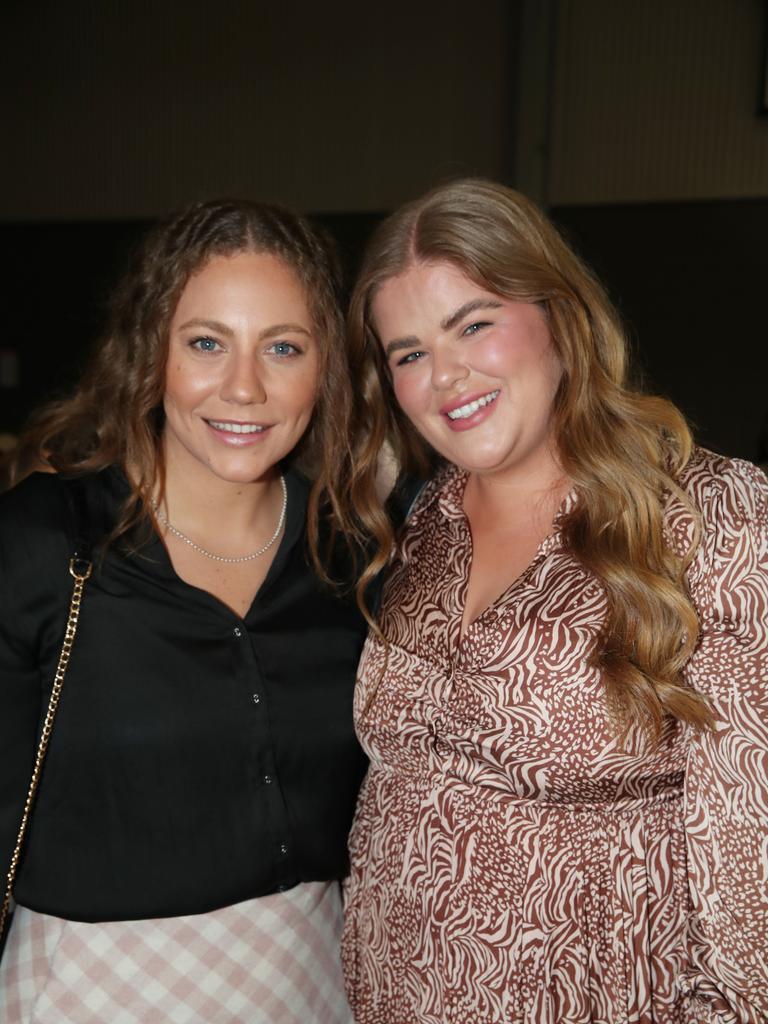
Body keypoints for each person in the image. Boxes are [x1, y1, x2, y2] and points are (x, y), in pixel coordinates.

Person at [341, 179, 768, 1023]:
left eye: (473, 324)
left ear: (560, 318)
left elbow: (750, 843)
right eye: (408, 353)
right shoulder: (428, 517)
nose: (445, 375)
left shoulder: (712, 514)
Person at [0, 199, 367, 1023]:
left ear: (325, 368)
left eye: (283, 347)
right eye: (206, 342)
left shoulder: (351, 556)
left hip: (311, 985)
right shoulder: (42, 545)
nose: (244, 387)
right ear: (149, 354)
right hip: (91, 992)